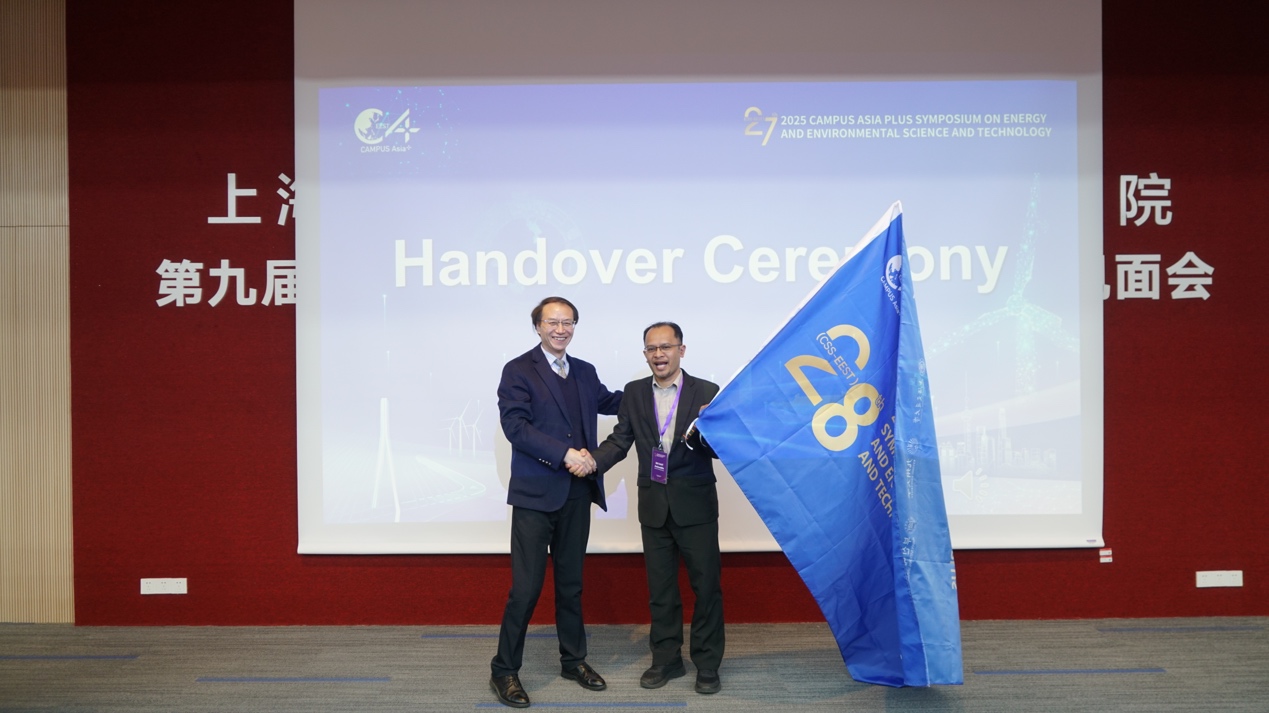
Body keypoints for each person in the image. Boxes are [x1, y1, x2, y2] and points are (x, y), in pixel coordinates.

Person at [489, 296, 622, 709]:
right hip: (534, 496)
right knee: (526, 590)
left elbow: (611, 402)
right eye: (552, 322)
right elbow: (515, 427)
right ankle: (504, 670)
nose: (560, 329)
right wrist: (564, 455)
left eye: (568, 322)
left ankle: (573, 661)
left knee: (570, 585)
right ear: (538, 326)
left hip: (577, 495)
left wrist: (661, 393)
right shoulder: (517, 370)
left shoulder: (585, 371)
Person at [590, 322, 725, 695]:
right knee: (661, 589)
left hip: (695, 506)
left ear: (682, 350)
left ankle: (707, 664)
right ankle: (666, 660)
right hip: (653, 506)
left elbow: (720, 449)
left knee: (706, 587)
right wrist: (593, 462)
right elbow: (620, 440)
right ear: (645, 354)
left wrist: (709, 431)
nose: (659, 354)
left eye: (666, 347)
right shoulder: (634, 393)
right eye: (652, 348)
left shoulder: (707, 392)